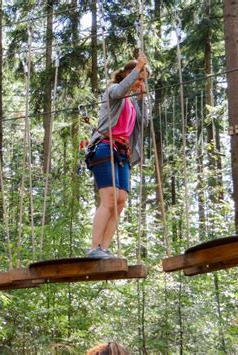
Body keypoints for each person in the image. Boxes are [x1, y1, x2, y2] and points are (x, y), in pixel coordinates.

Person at [85, 53, 149, 259]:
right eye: (139, 78)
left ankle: (104, 247)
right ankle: (94, 247)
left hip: (122, 152)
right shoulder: (113, 92)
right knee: (110, 199)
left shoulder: (131, 103)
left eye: (142, 80)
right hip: (104, 147)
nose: (140, 83)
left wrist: (141, 98)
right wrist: (138, 67)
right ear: (128, 75)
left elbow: (143, 123)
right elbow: (120, 90)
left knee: (121, 201)